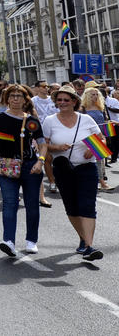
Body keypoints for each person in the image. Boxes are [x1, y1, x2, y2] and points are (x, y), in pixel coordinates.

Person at [43, 84, 105, 261]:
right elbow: (43, 145)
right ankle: (84, 239)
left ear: (74, 102)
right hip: (63, 169)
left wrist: (93, 149)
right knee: (72, 206)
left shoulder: (86, 120)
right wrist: (56, 147)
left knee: (87, 205)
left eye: (66, 100)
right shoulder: (49, 121)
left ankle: (89, 245)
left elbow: (102, 140)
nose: (62, 103)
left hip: (86, 168)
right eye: (59, 100)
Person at [0, 84, 47, 257]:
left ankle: (31, 241)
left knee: (31, 205)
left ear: (25, 100)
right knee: (9, 203)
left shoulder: (32, 120)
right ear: (7, 99)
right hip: (8, 165)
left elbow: (43, 145)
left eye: (19, 96)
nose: (15, 99)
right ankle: (9, 241)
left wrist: (40, 162)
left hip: (30, 166)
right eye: (12, 96)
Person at [80, 87, 112, 191]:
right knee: (94, 160)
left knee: (101, 160)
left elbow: (106, 121)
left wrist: (108, 136)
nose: (95, 96)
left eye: (96, 94)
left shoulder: (101, 107)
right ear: (87, 96)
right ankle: (101, 182)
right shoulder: (83, 108)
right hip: (88, 136)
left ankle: (100, 180)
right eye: (92, 94)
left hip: (101, 136)